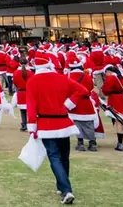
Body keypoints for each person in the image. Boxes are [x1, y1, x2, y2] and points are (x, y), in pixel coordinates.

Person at [26, 54, 90, 205]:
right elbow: (83, 91)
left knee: (54, 157)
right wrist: (68, 104)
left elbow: (31, 105)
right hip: (63, 123)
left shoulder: (33, 81)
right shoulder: (61, 78)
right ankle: (62, 186)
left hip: (45, 123)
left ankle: (66, 188)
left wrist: (32, 125)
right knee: (64, 156)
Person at [101, 63, 123, 151]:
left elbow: (105, 91)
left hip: (115, 101)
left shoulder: (111, 78)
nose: (105, 75)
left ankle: (120, 144)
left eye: (106, 73)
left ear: (109, 71)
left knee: (119, 122)